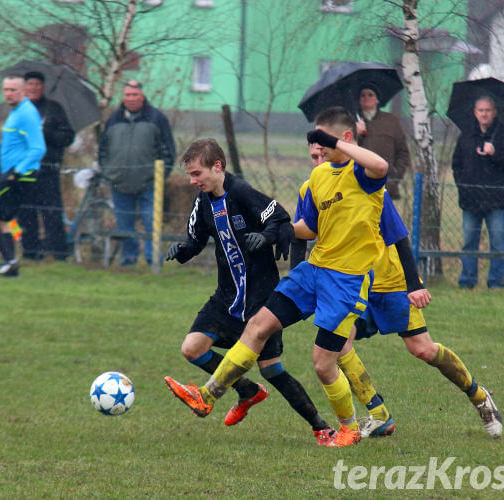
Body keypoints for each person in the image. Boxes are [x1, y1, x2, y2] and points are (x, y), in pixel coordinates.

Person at [164, 107, 389, 447]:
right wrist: (278, 232)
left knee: (323, 364)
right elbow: (308, 228)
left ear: (343, 139)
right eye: (314, 143)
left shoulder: (362, 175)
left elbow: (381, 166)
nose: (316, 149)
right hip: (314, 271)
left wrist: (269, 231)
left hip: (346, 280)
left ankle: (348, 428)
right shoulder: (317, 179)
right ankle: (208, 396)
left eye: (322, 142)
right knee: (258, 326)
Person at [298, 140, 503, 439]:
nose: (318, 161)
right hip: (351, 282)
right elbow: (308, 232)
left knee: (422, 349)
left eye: (323, 154)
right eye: (314, 156)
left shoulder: (366, 183)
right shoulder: (312, 187)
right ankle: (378, 413)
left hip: (389, 280)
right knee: (339, 343)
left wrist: (414, 284)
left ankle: (479, 396)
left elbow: (399, 236)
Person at [0, 75, 45, 277]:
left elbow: (38, 148)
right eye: (6, 89)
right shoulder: (18, 112)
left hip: (18, 176)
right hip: (13, 173)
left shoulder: (26, 114)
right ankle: (10, 268)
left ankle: (10, 259)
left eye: (13, 90)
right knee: (2, 220)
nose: (9, 94)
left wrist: (17, 171)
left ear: (23, 91)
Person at [97, 80, 175, 266]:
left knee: (151, 223)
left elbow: (168, 152)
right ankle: (129, 259)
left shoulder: (157, 118)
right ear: (122, 98)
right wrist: (109, 173)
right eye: (127, 95)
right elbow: (103, 150)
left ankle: (152, 259)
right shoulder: (113, 119)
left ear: (142, 96)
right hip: (119, 183)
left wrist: (159, 176)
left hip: (149, 184)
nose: (130, 99)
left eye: (134, 95)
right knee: (124, 225)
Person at [452, 96, 504, 289]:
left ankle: (496, 282)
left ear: (494, 112)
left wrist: (495, 154)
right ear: (475, 112)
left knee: (498, 243)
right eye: (480, 110)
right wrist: (463, 186)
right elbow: (456, 164)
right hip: (470, 200)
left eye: (488, 110)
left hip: (497, 200)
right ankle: (467, 281)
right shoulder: (466, 135)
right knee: (469, 242)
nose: (484, 114)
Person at [15, 71, 75, 261]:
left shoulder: (54, 109)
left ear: (42, 87)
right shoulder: (19, 110)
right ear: (24, 88)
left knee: (51, 213)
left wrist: (45, 134)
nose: (33, 88)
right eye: (30, 84)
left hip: (47, 169)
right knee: (26, 213)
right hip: (25, 170)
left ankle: (58, 253)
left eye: (37, 84)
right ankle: (30, 252)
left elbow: (67, 137)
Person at [356, 83, 411, 200]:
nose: (366, 98)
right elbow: (346, 152)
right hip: (359, 187)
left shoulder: (391, 121)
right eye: (363, 95)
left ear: (377, 100)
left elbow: (403, 153)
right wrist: (357, 134)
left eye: (370, 95)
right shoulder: (351, 122)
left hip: (386, 186)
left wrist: (395, 176)